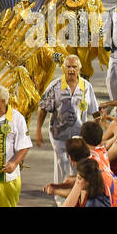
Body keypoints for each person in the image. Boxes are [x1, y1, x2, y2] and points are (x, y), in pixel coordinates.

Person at [34, 53, 99, 183]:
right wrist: (38, 130)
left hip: (79, 137)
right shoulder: (55, 86)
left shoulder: (86, 87)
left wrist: (99, 134)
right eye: (68, 66)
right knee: (61, 163)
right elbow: (43, 108)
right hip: (59, 135)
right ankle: (60, 199)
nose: (71, 70)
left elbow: (95, 111)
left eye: (74, 67)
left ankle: (74, 197)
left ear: (79, 68)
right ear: (63, 68)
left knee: (77, 168)